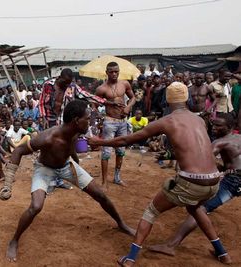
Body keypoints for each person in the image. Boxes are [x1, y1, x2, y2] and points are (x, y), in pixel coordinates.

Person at [88, 82, 232, 266]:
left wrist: (99, 142)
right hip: (214, 182)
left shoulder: (167, 121)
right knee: (195, 208)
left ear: (167, 100)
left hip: (191, 183)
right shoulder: (199, 120)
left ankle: (131, 258)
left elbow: (126, 139)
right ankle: (223, 254)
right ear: (187, 98)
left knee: (151, 211)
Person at [0, 100, 135, 262]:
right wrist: (8, 183)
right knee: (36, 206)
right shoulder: (48, 137)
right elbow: (20, 150)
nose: (90, 120)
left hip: (66, 165)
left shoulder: (76, 132)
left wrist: (79, 169)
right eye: (87, 118)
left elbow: (70, 149)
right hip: (45, 168)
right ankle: (14, 240)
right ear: (76, 120)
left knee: (101, 195)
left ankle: (120, 223)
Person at [147, 113, 240, 258]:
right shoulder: (238, 138)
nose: (214, 128)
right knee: (199, 208)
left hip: (234, 180)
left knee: (199, 210)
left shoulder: (220, 142)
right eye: (214, 124)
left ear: (229, 127)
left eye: (218, 125)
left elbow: (199, 156)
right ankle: (221, 253)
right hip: (234, 179)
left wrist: (169, 155)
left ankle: (172, 245)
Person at [96, 62, 136, 190]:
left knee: (120, 151)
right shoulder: (101, 89)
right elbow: (94, 105)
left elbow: (133, 97)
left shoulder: (124, 84)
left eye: (116, 71)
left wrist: (128, 107)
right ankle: (104, 182)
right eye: (111, 72)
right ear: (106, 73)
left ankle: (117, 177)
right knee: (106, 152)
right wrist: (101, 116)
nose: (114, 74)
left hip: (122, 122)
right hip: (109, 122)